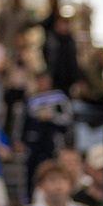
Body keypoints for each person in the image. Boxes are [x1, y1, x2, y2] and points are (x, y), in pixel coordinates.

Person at [21, 70, 72, 198]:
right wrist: (22, 139)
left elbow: (68, 119)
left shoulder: (59, 97)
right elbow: (24, 121)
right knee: (31, 170)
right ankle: (30, 197)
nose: (42, 83)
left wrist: (51, 117)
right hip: (35, 140)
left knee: (54, 167)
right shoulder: (32, 98)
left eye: (44, 79)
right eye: (39, 80)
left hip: (52, 139)